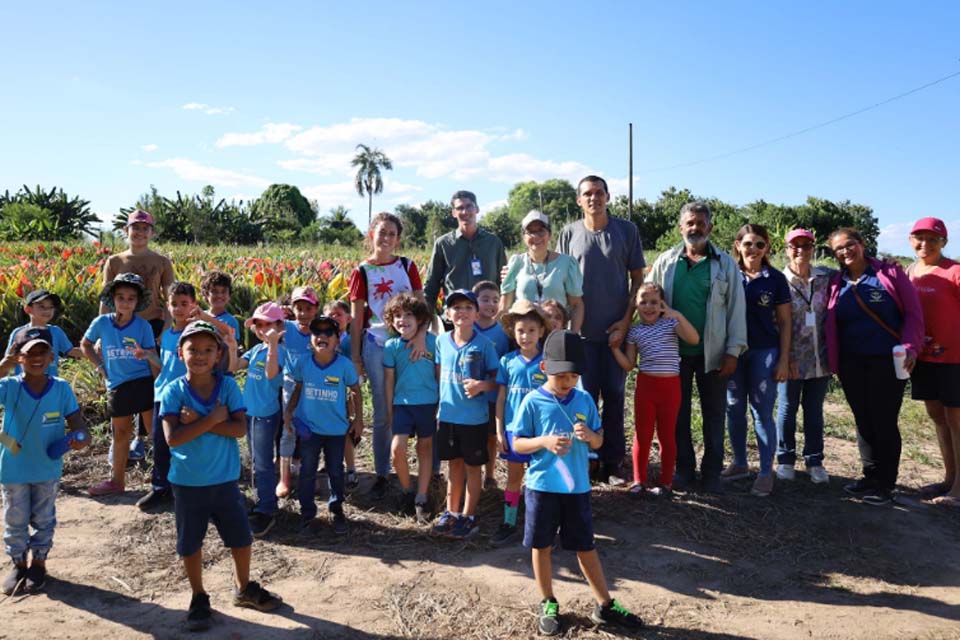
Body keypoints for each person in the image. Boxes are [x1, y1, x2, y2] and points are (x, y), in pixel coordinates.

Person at [512, 330, 643, 636]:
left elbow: (599, 438)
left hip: (578, 490)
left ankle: (605, 605)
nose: (567, 382)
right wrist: (543, 441)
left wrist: (590, 436)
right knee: (541, 545)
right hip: (542, 487)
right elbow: (517, 444)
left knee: (585, 546)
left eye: (573, 376)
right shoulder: (533, 401)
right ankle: (547, 601)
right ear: (544, 369)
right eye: (561, 377)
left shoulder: (584, 399)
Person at [159, 321, 281, 630]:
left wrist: (199, 420)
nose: (200, 355)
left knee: (240, 538)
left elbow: (239, 429)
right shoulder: (173, 391)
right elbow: (173, 438)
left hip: (225, 480)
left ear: (218, 355)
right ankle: (198, 595)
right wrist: (213, 418)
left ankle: (243, 587)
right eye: (193, 349)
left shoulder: (227, 386)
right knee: (190, 543)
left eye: (208, 350)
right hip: (188, 482)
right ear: (179, 352)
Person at [648, 201, 747, 493]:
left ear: (710, 227)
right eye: (689, 223)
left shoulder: (725, 264)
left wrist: (733, 351)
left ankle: (712, 472)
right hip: (672, 354)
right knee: (677, 414)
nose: (695, 228)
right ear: (681, 228)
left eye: (701, 223)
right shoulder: (666, 262)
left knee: (714, 414)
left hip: (713, 355)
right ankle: (684, 469)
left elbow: (736, 310)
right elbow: (650, 304)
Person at [556, 176, 645, 483]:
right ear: (579, 200)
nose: (593, 198)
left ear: (608, 196)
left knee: (615, 399)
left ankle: (612, 462)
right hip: (581, 335)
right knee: (584, 401)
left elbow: (638, 280)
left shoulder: (626, 231)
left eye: (598, 192)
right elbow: (559, 278)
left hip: (615, 335)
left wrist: (626, 320)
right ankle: (586, 460)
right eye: (587, 194)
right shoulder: (569, 233)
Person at [825, 228, 924, 506]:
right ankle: (869, 475)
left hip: (887, 360)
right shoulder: (836, 282)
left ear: (862, 244)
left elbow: (914, 314)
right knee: (862, 418)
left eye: (849, 245)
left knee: (883, 419)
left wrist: (910, 347)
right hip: (850, 361)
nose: (845, 252)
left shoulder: (889, 274)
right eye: (838, 249)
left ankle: (886, 484)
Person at [0, 328, 89, 595]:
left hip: (47, 467)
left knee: (44, 517)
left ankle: (39, 563)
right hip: (13, 467)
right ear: (18, 357)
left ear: (51, 356)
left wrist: (80, 438)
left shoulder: (61, 388)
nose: (36, 358)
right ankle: (18, 563)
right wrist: (3, 367)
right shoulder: (9, 387)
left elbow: (77, 423)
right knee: (14, 518)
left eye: (42, 352)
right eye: (29, 354)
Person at [349, 212, 426, 500]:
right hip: (377, 344)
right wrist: (356, 358)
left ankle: (413, 469)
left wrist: (420, 335)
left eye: (392, 234)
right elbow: (357, 320)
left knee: (412, 405)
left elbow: (421, 304)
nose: (386, 238)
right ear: (371, 234)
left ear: (398, 238)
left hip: (409, 346)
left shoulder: (407, 265)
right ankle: (382, 472)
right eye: (381, 232)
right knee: (382, 412)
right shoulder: (362, 272)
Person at [723, 224, 791, 497]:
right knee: (734, 406)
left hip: (764, 351)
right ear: (737, 245)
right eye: (748, 243)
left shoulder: (774, 279)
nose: (753, 249)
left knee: (762, 412)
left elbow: (785, 322)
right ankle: (740, 463)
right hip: (732, 351)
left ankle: (765, 471)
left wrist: (784, 359)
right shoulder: (727, 274)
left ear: (767, 248)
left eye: (759, 245)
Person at [611, 283, 699, 496]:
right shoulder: (635, 331)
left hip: (670, 388)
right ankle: (639, 482)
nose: (648, 307)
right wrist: (614, 349)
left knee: (667, 436)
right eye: (643, 302)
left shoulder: (670, 324)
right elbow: (630, 365)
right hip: (646, 387)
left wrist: (676, 314)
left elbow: (694, 339)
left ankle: (666, 483)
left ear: (662, 304)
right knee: (642, 434)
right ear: (636, 305)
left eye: (654, 302)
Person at [284, 316, 363, 535]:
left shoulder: (344, 366)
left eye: (329, 332)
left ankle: (337, 511)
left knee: (336, 471)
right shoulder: (303, 364)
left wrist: (358, 420)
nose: (322, 336)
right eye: (317, 332)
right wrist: (289, 412)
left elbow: (356, 391)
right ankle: (307, 515)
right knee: (307, 471)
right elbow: (298, 389)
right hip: (310, 430)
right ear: (310, 339)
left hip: (337, 431)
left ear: (338, 339)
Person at [81, 273, 157, 496]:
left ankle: (165, 479)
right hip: (117, 384)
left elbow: (151, 355)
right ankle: (117, 481)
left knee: (154, 432)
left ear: (138, 301)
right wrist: (99, 366)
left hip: (143, 382)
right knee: (121, 433)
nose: (125, 302)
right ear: (112, 299)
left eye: (131, 298)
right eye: (121, 297)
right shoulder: (101, 323)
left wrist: (158, 383)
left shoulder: (143, 326)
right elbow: (85, 344)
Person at [431, 290, 499, 540]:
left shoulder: (484, 345)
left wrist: (481, 386)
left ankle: (469, 516)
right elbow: (439, 375)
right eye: (456, 307)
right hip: (448, 416)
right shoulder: (441, 342)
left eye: (468, 307)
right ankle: (451, 512)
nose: (462, 312)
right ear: (447, 313)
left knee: (472, 467)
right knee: (454, 465)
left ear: (476, 313)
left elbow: (496, 380)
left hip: (474, 419)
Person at [906, 217, 960, 505]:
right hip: (923, 358)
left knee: (956, 421)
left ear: (944, 242)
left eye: (932, 239)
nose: (924, 244)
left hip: (955, 359)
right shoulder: (911, 271)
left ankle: (958, 490)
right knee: (938, 419)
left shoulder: (955, 272)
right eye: (919, 238)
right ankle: (949, 478)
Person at [776, 229, 834, 485]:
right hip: (791, 357)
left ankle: (814, 460)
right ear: (786, 249)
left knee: (814, 411)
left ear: (814, 248)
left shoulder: (826, 277)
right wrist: (784, 357)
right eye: (794, 246)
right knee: (787, 409)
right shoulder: (779, 280)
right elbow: (775, 323)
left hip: (820, 358)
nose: (800, 250)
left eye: (806, 245)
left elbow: (858, 269)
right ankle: (785, 459)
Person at [136, 281, 198, 512]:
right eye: (174, 304)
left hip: (186, 396)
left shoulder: (195, 333)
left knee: (186, 442)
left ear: (193, 305)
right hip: (163, 394)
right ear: (167, 307)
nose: (179, 308)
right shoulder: (168, 335)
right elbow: (165, 366)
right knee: (160, 443)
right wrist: (147, 356)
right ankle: (160, 487)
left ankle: (187, 487)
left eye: (184, 303)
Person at [492, 300, 548, 547]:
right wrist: (499, 430)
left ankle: (541, 522)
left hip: (541, 432)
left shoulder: (548, 363)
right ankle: (509, 521)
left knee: (541, 479)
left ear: (541, 332)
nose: (526, 336)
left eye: (531, 331)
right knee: (514, 478)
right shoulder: (507, 361)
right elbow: (501, 398)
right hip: (515, 430)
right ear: (513, 333)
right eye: (521, 331)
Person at [383, 293, 439, 521]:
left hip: (427, 403)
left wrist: (440, 405)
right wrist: (389, 408)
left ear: (419, 320)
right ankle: (407, 490)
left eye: (408, 315)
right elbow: (389, 380)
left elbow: (439, 374)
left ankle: (422, 496)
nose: (402, 320)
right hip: (402, 404)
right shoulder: (391, 346)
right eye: (397, 316)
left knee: (425, 449)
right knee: (397, 450)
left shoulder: (432, 342)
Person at [235, 302, 287, 537]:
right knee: (257, 460)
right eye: (258, 324)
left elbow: (270, 373)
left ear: (279, 326)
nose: (262, 329)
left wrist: (273, 345)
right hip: (250, 413)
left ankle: (266, 507)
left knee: (263, 462)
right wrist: (228, 346)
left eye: (268, 324)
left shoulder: (279, 352)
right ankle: (261, 501)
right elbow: (234, 366)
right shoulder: (256, 350)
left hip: (264, 415)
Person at [424, 190, 507, 322]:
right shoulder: (443, 244)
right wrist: (425, 321)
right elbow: (431, 285)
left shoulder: (493, 243)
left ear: (477, 209)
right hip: (455, 318)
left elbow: (505, 282)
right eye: (459, 208)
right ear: (453, 213)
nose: (465, 212)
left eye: (469, 206)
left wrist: (502, 314)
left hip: (487, 319)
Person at [500, 210, 584, 332]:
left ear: (549, 234)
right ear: (524, 237)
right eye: (530, 232)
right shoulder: (516, 263)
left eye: (541, 231)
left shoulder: (566, 264)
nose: (536, 236)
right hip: (525, 338)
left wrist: (572, 336)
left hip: (555, 335)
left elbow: (576, 305)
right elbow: (505, 306)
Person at [100, 209, 174, 340]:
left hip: (153, 324)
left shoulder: (163, 262)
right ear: (125, 230)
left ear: (152, 232)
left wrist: (167, 329)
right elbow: (106, 300)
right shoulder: (114, 261)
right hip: (121, 324)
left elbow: (170, 299)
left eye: (145, 228)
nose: (140, 232)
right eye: (135, 227)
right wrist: (103, 332)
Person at [278, 286, 321, 498]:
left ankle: (308, 476)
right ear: (292, 309)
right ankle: (284, 478)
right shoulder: (285, 327)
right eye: (299, 308)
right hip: (290, 384)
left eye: (308, 308)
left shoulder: (320, 332)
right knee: (289, 428)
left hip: (313, 387)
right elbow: (259, 321)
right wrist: (278, 312)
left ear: (316, 309)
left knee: (311, 432)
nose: (303, 313)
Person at [473, 280, 510, 489]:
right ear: (475, 301)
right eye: (485, 299)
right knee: (474, 437)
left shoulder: (503, 333)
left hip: (494, 395)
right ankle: (474, 475)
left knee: (489, 436)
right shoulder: (469, 328)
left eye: (495, 300)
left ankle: (490, 474)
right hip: (471, 397)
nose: (491, 304)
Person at [0, 289, 81, 378]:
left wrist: (92, 351)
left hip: (50, 384)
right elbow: (9, 359)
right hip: (23, 384)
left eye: (51, 307)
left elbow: (71, 351)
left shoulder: (56, 332)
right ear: (27, 309)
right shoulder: (18, 333)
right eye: (41, 306)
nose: (47, 311)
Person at [200, 271, 242, 346]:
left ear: (229, 295)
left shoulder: (231, 321)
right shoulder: (199, 316)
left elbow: (234, 346)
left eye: (224, 291)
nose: (219, 295)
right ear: (206, 294)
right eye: (214, 291)